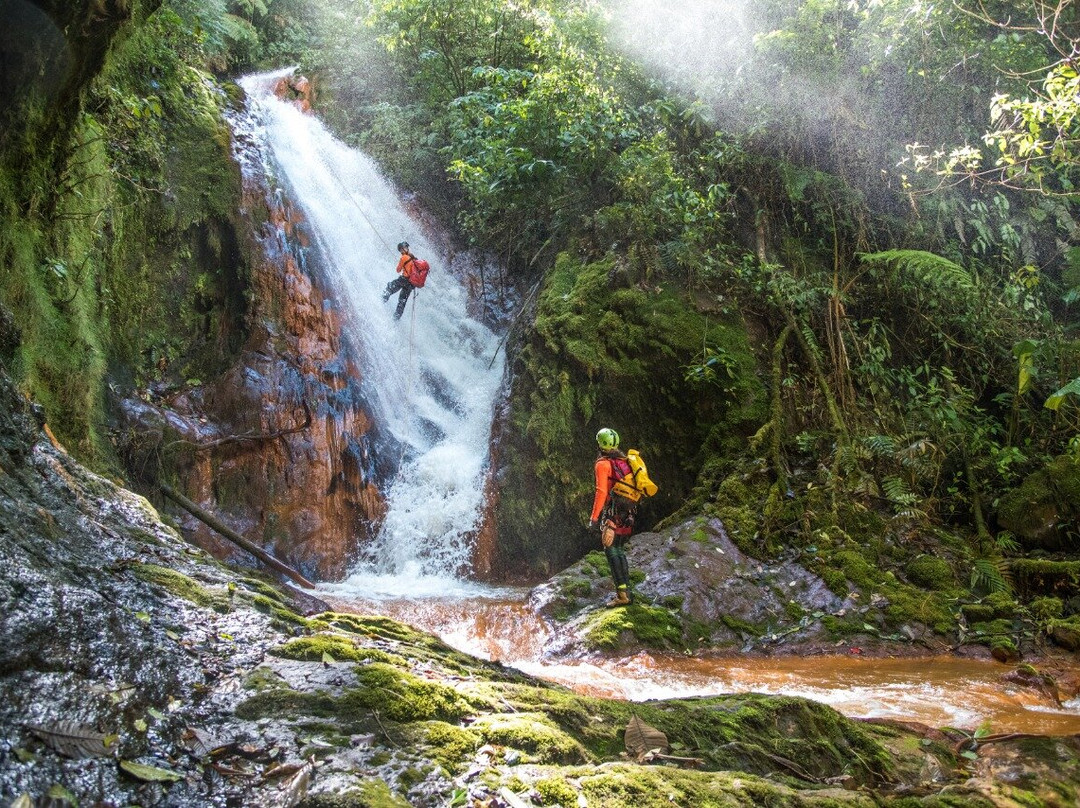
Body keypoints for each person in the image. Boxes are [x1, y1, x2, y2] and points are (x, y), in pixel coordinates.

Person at [588, 427, 638, 607]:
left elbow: (601, 492)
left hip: (613, 512)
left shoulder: (603, 464)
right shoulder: (625, 461)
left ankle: (622, 595)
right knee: (619, 549)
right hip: (629, 512)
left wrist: (594, 518)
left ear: (600, 445)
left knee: (611, 550)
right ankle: (627, 592)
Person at [382, 241, 418, 320]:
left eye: (402, 250)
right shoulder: (415, 259)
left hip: (404, 280)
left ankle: (383, 299)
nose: (401, 251)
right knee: (402, 301)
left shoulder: (404, 257)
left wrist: (401, 264)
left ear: (404, 249)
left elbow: (398, 270)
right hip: (411, 284)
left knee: (390, 287)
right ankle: (396, 317)